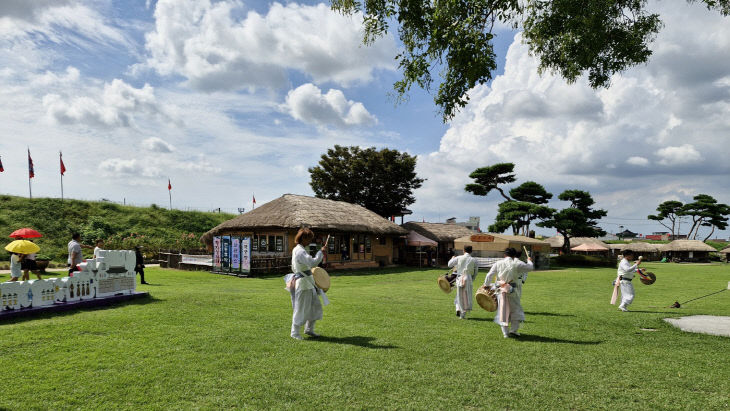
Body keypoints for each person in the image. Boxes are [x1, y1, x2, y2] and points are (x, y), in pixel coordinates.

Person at [285, 228, 328, 340]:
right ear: (303, 238)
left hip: (308, 282)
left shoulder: (300, 249)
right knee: (301, 308)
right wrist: (321, 252)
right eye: (309, 239)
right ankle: (294, 332)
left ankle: (309, 329)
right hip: (303, 283)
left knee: (315, 306)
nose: (310, 241)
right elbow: (312, 262)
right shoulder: (299, 251)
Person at [484, 247, 533, 338]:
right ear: (514, 255)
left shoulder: (498, 263)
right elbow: (530, 268)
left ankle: (505, 333)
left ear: (504, 255)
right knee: (515, 309)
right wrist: (529, 260)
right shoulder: (517, 263)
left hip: (500, 290)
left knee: (503, 310)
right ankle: (513, 330)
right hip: (513, 290)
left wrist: (486, 285)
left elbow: (489, 275)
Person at [447, 245, 479, 319]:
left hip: (460, 277)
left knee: (459, 295)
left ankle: (459, 309)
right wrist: (472, 278)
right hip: (468, 278)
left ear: (463, 250)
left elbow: (449, 264)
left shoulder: (459, 257)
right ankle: (462, 313)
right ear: (471, 251)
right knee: (466, 296)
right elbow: (476, 272)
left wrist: (452, 258)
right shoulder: (474, 260)